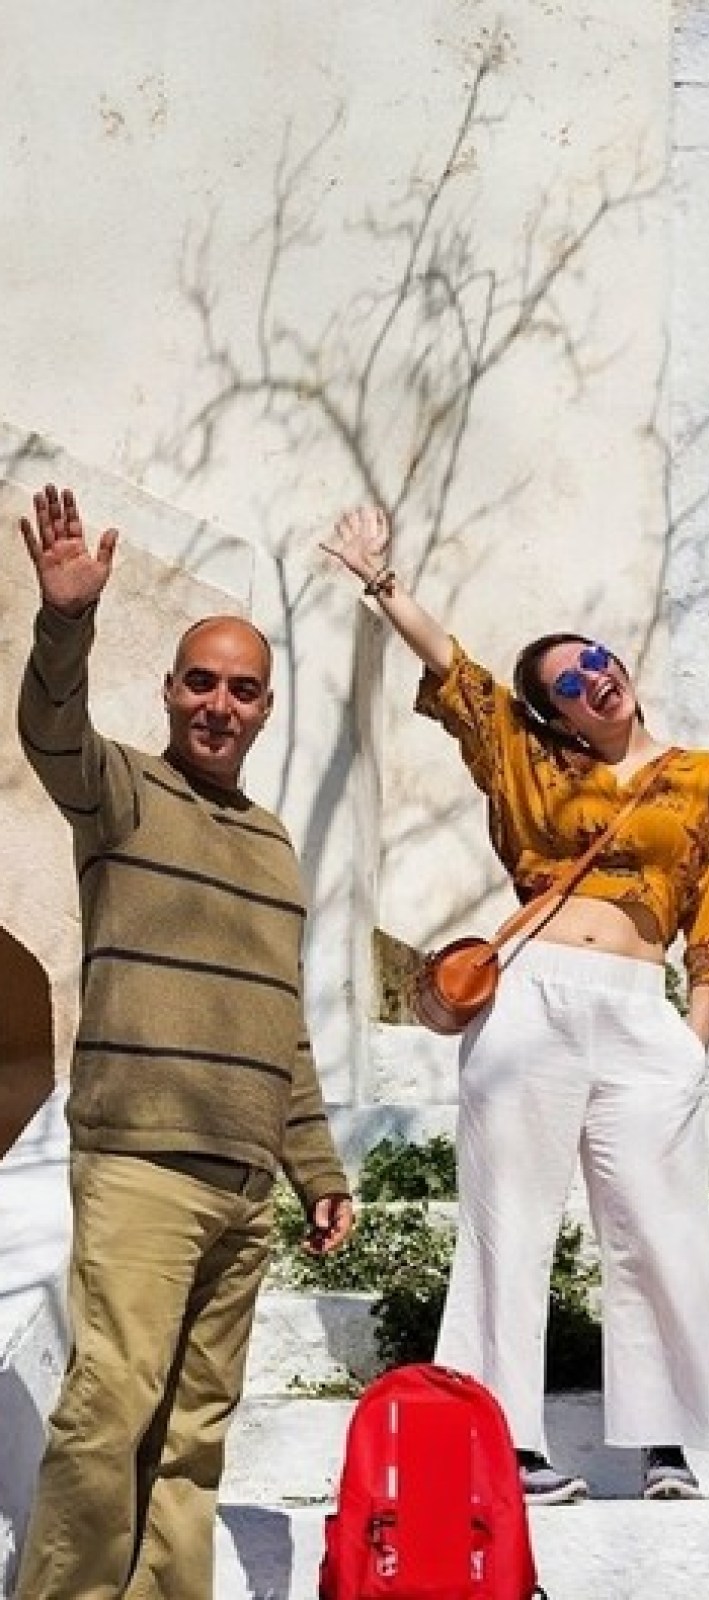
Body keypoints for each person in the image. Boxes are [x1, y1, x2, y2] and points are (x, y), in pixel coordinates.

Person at [322, 506, 709, 1503]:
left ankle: (665, 1443)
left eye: (596, 659)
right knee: (507, 1221)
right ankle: (503, 1443)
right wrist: (385, 582)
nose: (593, 678)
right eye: (568, 682)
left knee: (660, 1225)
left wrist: (695, 1034)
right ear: (556, 715)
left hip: (643, 1015)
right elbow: (463, 678)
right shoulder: (532, 765)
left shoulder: (703, 778)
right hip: (535, 1006)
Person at [14, 484, 354, 1600]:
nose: (219, 703)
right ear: (169, 690)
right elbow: (50, 733)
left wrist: (315, 1167)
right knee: (111, 1405)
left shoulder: (275, 846)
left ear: (266, 709)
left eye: (242, 689)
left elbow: (282, 1020)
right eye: (200, 681)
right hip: (141, 1164)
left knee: (193, 1434)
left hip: (246, 1184)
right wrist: (67, 619)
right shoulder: (121, 793)